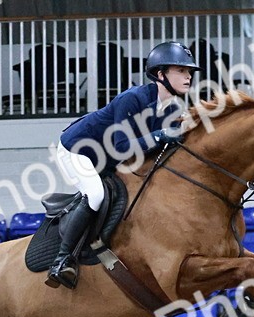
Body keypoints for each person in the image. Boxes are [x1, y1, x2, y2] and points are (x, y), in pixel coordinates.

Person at [46, 41, 199, 289]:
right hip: (78, 150)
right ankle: (62, 260)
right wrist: (160, 135)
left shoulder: (172, 108)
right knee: (95, 194)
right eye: (181, 70)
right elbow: (122, 146)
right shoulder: (132, 99)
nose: (188, 76)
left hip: (108, 158)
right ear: (161, 74)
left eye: (189, 71)